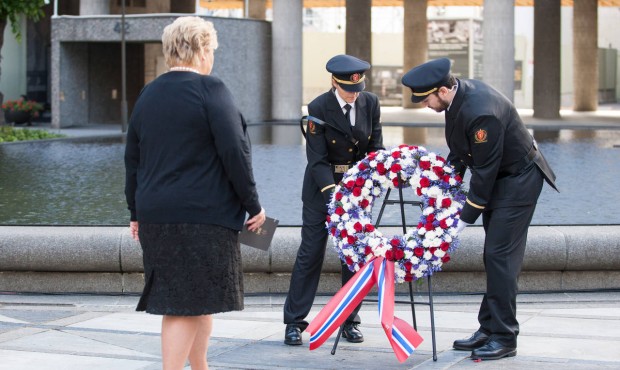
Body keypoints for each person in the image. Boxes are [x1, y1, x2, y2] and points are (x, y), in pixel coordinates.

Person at [124, 16, 265, 370]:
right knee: (183, 304)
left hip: (157, 215)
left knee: (197, 300)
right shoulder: (211, 90)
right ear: (202, 50)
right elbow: (236, 153)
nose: (212, 57)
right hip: (202, 218)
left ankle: (200, 366)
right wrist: (253, 205)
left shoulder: (148, 94)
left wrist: (135, 212)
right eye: (211, 50)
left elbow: (132, 159)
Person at [401, 58, 558, 361]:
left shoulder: (481, 111)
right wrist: (441, 188)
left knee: (500, 257)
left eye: (426, 98)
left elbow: (484, 173)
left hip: (518, 180)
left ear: (444, 90)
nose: (424, 104)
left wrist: (463, 218)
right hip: (501, 178)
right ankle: (488, 329)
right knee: (494, 256)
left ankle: (504, 336)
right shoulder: (457, 100)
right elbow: (462, 151)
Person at [283, 54, 384, 346]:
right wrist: (334, 194)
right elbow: (316, 159)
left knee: (352, 255)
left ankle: (349, 320)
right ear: (334, 82)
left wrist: (383, 171)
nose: (354, 93)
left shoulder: (370, 102)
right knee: (310, 253)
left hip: (356, 190)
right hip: (322, 189)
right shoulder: (318, 107)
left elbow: (375, 147)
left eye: (357, 88)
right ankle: (294, 321)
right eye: (348, 89)